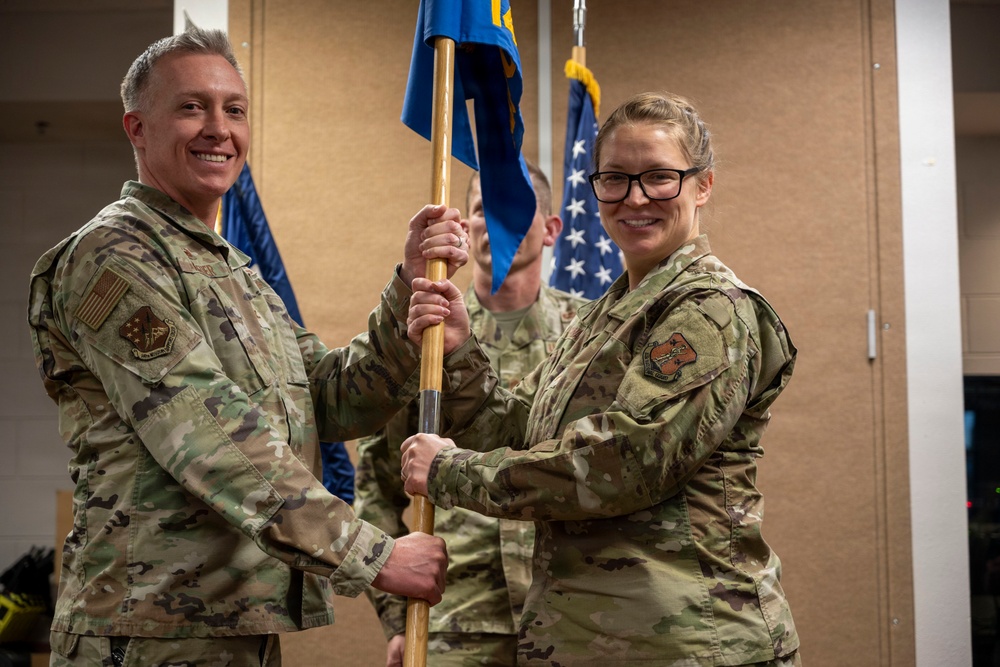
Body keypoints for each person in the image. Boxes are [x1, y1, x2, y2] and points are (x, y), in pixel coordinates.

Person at [27, 27, 469, 666]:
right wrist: (371, 555)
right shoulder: (114, 257)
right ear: (137, 128)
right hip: (147, 629)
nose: (219, 129)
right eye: (191, 107)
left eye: (234, 110)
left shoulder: (233, 272)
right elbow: (206, 431)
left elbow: (329, 399)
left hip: (232, 622)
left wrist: (407, 295)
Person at [400, 91, 801, 666]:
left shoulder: (709, 309)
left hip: (689, 643)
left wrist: (450, 472)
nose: (635, 198)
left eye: (659, 177)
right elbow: (521, 429)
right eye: (615, 179)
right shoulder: (601, 318)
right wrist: (461, 353)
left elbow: (624, 461)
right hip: (595, 641)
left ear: (703, 186)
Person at [354, 163, 588, 667]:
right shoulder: (427, 334)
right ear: (464, 226)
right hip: (456, 618)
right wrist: (396, 615)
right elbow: (377, 482)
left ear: (551, 229)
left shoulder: (588, 336)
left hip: (571, 613)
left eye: (516, 207)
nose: (497, 221)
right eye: (484, 209)